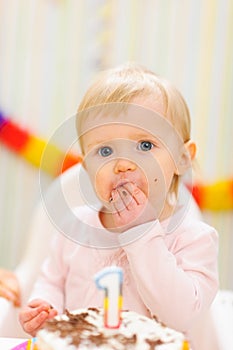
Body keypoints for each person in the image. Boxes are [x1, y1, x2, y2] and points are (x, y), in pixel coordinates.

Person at [19, 63, 218, 346]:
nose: (123, 164)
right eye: (106, 150)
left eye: (145, 145)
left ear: (182, 159)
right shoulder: (73, 227)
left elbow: (181, 316)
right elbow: (52, 281)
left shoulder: (194, 238)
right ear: (87, 166)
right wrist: (44, 306)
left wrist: (143, 232)